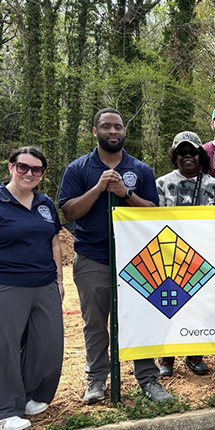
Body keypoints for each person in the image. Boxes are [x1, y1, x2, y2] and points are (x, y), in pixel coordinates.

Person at [58, 108, 173, 404]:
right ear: (95, 131)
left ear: (124, 132)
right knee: (95, 323)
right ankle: (97, 379)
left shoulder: (141, 170)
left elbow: (153, 216)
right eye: (106, 126)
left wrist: (125, 193)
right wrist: (98, 188)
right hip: (92, 259)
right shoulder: (78, 169)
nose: (113, 131)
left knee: (141, 320)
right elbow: (69, 212)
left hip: (137, 261)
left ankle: (148, 379)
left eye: (118, 127)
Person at [0, 146, 64, 430]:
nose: (29, 173)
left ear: (42, 175)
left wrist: (58, 279)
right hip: (2, 284)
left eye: (36, 170)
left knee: (47, 345)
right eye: (23, 167)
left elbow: (54, 243)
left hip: (43, 284)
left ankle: (29, 395)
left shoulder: (44, 204)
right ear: (11, 167)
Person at [155, 131, 215, 377]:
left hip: (203, 256)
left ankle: (194, 355)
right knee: (169, 306)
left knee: (199, 308)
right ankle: (167, 357)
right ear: (175, 156)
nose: (187, 157)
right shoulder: (162, 184)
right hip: (170, 256)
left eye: (192, 152)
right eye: (181, 153)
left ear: (200, 155)